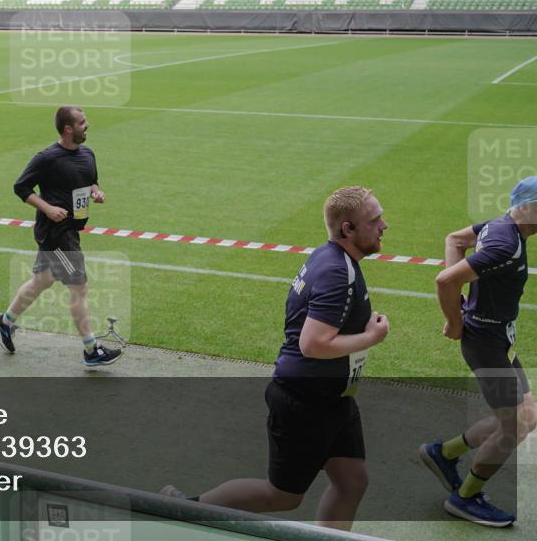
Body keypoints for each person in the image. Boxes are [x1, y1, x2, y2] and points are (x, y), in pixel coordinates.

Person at [161, 186, 390, 531]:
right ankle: (183, 508)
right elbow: (312, 344)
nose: (384, 225)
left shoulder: (332, 258)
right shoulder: (335, 271)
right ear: (348, 229)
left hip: (334, 399)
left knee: (352, 480)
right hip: (306, 401)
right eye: (374, 220)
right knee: (281, 496)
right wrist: (372, 337)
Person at [419, 176, 536, 528]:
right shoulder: (505, 244)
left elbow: (455, 240)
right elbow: (445, 280)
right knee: (514, 427)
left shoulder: (500, 227)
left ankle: (445, 452)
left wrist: (463, 308)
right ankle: (465, 497)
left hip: (498, 340)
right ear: (529, 207)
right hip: (486, 345)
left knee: (527, 414)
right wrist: (455, 319)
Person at [0, 106, 120, 367]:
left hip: (71, 231)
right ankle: (91, 350)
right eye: (82, 122)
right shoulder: (47, 158)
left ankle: (5, 322)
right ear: (68, 129)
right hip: (56, 235)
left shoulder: (87, 154)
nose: (88, 125)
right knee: (79, 287)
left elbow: (90, 181)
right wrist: (47, 208)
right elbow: (21, 187)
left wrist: (97, 192)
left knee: (43, 280)